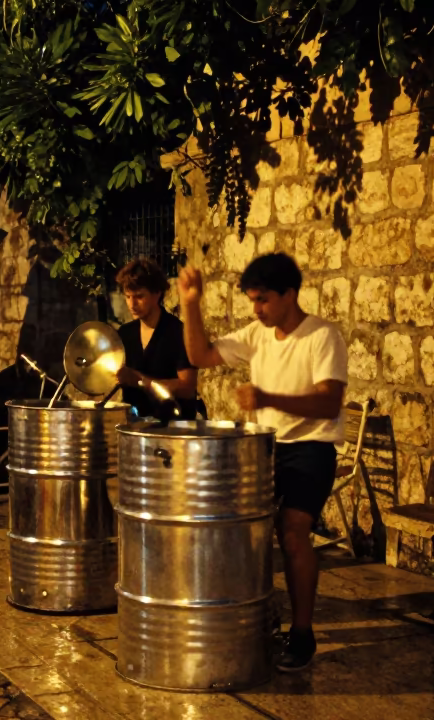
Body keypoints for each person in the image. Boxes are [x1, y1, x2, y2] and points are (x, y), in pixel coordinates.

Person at [179, 252, 348, 673]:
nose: (256, 309)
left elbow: (329, 403)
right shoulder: (257, 335)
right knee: (245, 533)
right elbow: (200, 356)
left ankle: (302, 633)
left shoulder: (322, 336)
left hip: (311, 447)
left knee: (293, 532)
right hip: (266, 447)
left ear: (290, 294)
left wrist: (269, 397)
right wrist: (190, 304)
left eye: (263, 299)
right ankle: (256, 616)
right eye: (252, 300)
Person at [113, 258, 199, 419]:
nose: (132, 304)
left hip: (173, 425)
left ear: (157, 293)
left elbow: (187, 387)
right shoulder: (124, 333)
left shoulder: (179, 332)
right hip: (134, 426)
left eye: (139, 296)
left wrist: (140, 380)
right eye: (128, 296)